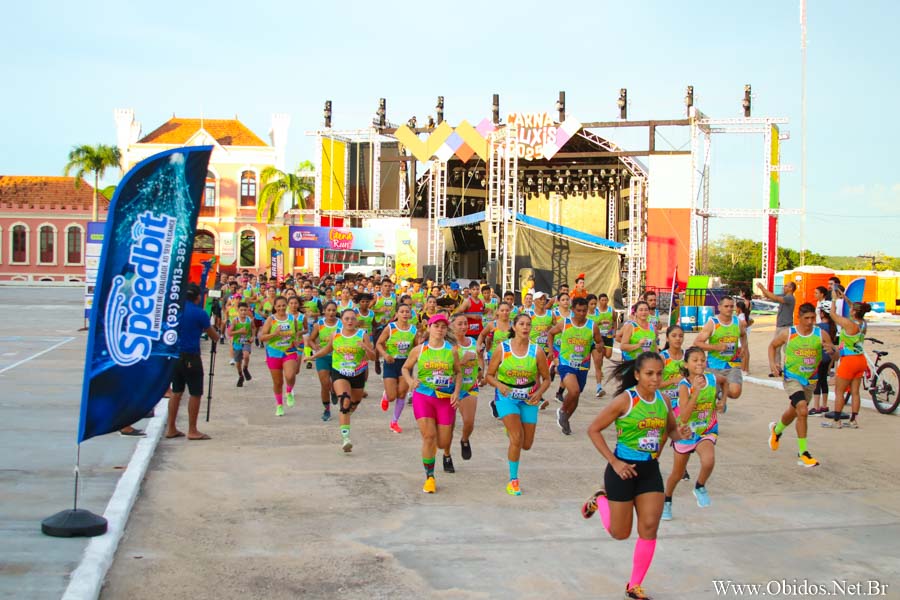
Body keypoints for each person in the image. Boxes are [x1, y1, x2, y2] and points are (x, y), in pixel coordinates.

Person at [581, 352, 691, 600]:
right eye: (650, 374)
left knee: (650, 527)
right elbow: (593, 429)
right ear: (637, 375)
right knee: (620, 533)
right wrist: (615, 461)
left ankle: (634, 585)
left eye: (659, 373)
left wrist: (679, 433)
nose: (655, 378)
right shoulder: (625, 400)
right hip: (622, 471)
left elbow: (671, 429)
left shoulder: (662, 400)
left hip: (649, 470)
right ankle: (600, 499)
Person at [484, 313, 551, 495]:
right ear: (514, 327)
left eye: (528, 324)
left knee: (526, 444)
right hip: (507, 397)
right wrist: (500, 385)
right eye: (521, 324)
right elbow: (489, 376)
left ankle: (512, 431)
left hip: (528, 399)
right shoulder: (502, 349)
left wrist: (539, 393)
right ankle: (513, 480)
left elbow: (546, 379)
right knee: (516, 438)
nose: (525, 327)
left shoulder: (536, 351)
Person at [662, 347, 726, 521]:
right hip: (685, 432)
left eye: (702, 360)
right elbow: (684, 415)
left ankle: (700, 486)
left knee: (709, 460)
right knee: (677, 473)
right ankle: (667, 500)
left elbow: (724, 382)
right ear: (686, 364)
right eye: (695, 360)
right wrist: (696, 391)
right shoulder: (684, 385)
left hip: (706, 430)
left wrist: (723, 401)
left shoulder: (712, 378)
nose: (699, 363)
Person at [768, 303, 836, 466]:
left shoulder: (821, 334)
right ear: (799, 317)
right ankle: (803, 452)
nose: (810, 321)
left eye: (813, 318)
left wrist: (833, 352)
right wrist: (773, 363)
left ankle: (776, 431)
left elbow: (836, 355)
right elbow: (772, 346)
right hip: (792, 378)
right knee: (803, 410)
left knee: (794, 411)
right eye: (807, 318)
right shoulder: (789, 333)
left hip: (810, 381)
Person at [401, 314, 462, 493]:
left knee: (442, 443)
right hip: (424, 396)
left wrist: (456, 393)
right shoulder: (419, 350)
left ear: (446, 330)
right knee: (429, 436)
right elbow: (405, 368)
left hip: (444, 398)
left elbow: (458, 373)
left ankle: (438, 456)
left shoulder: (452, 350)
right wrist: (411, 381)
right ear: (429, 327)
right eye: (436, 326)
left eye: (443, 326)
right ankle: (430, 477)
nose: (440, 329)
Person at [305, 309, 377, 452]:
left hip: (357, 373)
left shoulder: (363, 335)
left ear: (356, 321)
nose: (350, 321)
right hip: (339, 372)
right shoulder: (336, 334)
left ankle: (344, 417)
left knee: (354, 404)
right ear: (342, 320)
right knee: (345, 401)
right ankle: (346, 438)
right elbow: (327, 349)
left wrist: (366, 348)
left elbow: (373, 357)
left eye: (352, 319)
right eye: (346, 318)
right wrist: (313, 356)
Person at [166, 284, 219, 441]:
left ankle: (171, 428)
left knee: (176, 392)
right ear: (197, 297)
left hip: (174, 355)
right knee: (195, 393)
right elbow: (214, 336)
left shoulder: (175, 311)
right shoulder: (199, 313)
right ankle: (192, 429)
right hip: (191, 356)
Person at [547, 297, 595, 436]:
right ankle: (562, 410)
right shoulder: (565, 323)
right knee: (573, 391)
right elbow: (550, 333)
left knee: (576, 395)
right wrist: (551, 351)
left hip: (583, 366)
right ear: (573, 310)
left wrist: (598, 346)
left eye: (584, 311)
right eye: (578, 310)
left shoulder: (592, 326)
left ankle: (566, 418)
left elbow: (598, 342)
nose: (581, 313)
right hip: (566, 363)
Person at [823, 295, 871, 429]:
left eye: (851, 308)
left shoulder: (849, 324)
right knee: (855, 392)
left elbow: (832, 314)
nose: (850, 309)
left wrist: (833, 299)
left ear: (854, 311)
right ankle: (853, 420)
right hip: (860, 359)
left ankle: (836, 421)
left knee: (839, 391)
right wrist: (845, 298)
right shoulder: (863, 323)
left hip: (849, 361)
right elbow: (854, 306)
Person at [694, 296, 747, 407]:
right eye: (726, 306)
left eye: (731, 306)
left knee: (736, 392)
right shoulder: (713, 323)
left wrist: (744, 348)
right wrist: (716, 347)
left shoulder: (737, 322)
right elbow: (697, 343)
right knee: (709, 396)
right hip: (714, 364)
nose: (729, 309)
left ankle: (721, 394)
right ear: (720, 307)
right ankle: (719, 396)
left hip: (732, 364)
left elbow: (743, 334)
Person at [376, 303, 417, 433]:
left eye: (407, 311)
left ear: (410, 314)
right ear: (397, 314)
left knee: (402, 393)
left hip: (405, 364)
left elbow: (416, 348)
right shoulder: (391, 327)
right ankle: (386, 396)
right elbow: (379, 343)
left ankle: (394, 422)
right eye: (402, 311)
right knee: (392, 396)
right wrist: (385, 354)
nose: (405, 314)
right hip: (391, 362)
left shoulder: (413, 330)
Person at [258, 296, 300, 417]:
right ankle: (279, 405)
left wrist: (295, 340)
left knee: (290, 375)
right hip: (274, 352)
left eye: (283, 305)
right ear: (275, 307)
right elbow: (262, 337)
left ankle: (289, 391)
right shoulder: (271, 320)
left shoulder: (292, 318)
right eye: (278, 306)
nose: (281, 308)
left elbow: (296, 333)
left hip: (289, 351)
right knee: (277, 382)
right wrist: (274, 334)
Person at [450, 314, 483, 461]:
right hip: (450, 388)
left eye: (465, 324)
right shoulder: (448, 345)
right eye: (460, 324)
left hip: (469, 386)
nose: (464, 327)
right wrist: (462, 361)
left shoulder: (473, 341)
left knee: (469, 423)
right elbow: (445, 368)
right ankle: (446, 455)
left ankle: (464, 439)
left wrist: (481, 371)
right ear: (452, 325)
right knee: (448, 427)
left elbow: (479, 358)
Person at [756, 281, 796, 374]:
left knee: (786, 349)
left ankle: (789, 368)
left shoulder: (790, 298)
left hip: (786, 326)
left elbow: (775, 297)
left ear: (791, 288)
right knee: (776, 348)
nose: (784, 287)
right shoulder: (785, 296)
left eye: (786, 286)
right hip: (780, 325)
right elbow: (770, 296)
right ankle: (777, 368)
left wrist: (762, 288)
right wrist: (763, 290)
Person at [309, 301, 340, 421]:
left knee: (336, 384)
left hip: (338, 358)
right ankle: (327, 409)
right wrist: (314, 346)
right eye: (329, 310)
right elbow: (311, 339)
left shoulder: (342, 324)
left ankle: (333, 391)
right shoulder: (319, 324)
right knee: (324, 383)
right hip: (323, 356)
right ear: (324, 311)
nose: (331, 313)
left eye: (333, 310)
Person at [810, 306, 835, 416]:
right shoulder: (833, 327)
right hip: (829, 356)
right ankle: (824, 405)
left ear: (822, 314)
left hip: (819, 356)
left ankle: (816, 406)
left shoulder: (819, 327)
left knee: (817, 382)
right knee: (824, 380)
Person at [593, 293, 617, 397]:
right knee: (599, 358)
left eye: (605, 300)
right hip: (599, 337)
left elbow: (615, 321)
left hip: (608, 336)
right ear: (599, 301)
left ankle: (600, 360)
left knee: (608, 355)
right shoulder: (596, 311)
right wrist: (600, 323)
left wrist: (615, 330)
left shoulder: (611, 310)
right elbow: (594, 324)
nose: (604, 302)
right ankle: (599, 384)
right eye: (602, 300)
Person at [226, 301, 255, 387]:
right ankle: (240, 375)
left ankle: (245, 368)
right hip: (237, 342)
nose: (243, 312)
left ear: (247, 310)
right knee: (238, 362)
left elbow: (253, 328)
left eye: (245, 310)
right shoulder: (235, 321)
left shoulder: (249, 320)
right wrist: (239, 331)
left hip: (246, 341)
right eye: (241, 310)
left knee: (246, 356)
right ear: (238, 310)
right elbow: (229, 333)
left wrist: (253, 336)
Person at [736, 290, 754, 374]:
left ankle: (744, 369)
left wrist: (742, 328)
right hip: (745, 331)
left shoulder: (741, 315)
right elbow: (750, 320)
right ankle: (746, 369)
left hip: (743, 333)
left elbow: (745, 322)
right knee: (746, 350)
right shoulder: (743, 313)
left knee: (743, 351)